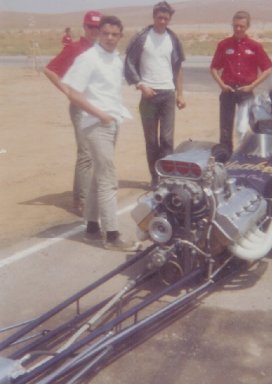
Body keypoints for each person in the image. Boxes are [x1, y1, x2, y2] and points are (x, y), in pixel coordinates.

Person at [62, 15, 136, 252]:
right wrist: (100, 114)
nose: (110, 38)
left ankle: (92, 228)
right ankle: (112, 236)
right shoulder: (88, 58)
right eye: (105, 33)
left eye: (115, 34)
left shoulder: (115, 59)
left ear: (120, 36)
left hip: (112, 122)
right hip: (96, 124)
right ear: (98, 33)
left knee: (98, 177)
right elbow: (74, 92)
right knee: (108, 179)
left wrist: (111, 117)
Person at [43, 10, 102, 215]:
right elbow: (50, 70)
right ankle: (82, 201)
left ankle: (83, 196)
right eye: (91, 27)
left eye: (98, 27)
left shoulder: (101, 50)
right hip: (80, 107)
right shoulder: (75, 48)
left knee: (93, 153)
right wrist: (66, 90)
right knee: (85, 153)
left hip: (96, 106)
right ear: (84, 27)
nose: (94, 31)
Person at [124, 1, 186, 189]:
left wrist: (180, 94)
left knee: (167, 139)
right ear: (154, 17)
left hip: (167, 94)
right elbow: (129, 63)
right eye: (159, 17)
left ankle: (166, 177)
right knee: (151, 140)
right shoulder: (142, 37)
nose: (162, 21)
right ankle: (155, 177)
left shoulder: (173, 39)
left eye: (166, 18)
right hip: (149, 96)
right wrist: (141, 85)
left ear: (169, 19)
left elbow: (178, 68)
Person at [210, 10, 272, 156]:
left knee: (244, 127)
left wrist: (252, 86)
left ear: (247, 27)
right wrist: (222, 85)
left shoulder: (255, 46)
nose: (238, 29)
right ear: (232, 25)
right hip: (228, 91)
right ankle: (225, 157)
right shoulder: (223, 45)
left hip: (246, 91)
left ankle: (245, 156)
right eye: (236, 26)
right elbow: (214, 68)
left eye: (241, 26)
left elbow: (268, 69)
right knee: (225, 128)